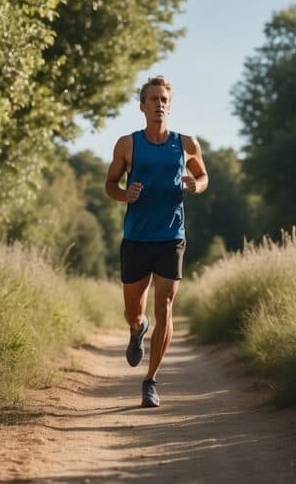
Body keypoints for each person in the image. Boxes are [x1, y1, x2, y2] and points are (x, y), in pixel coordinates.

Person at [104, 75, 208, 408]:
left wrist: (196, 185)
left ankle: (150, 381)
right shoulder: (127, 144)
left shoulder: (187, 143)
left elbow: (203, 176)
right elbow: (110, 184)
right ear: (142, 105)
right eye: (153, 99)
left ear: (169, 105)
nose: (159, 104)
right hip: (136, 237)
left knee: (164, 305)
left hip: (171, 236)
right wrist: (125, 194)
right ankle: (137, 330)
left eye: (164, 99)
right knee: (134, 311)